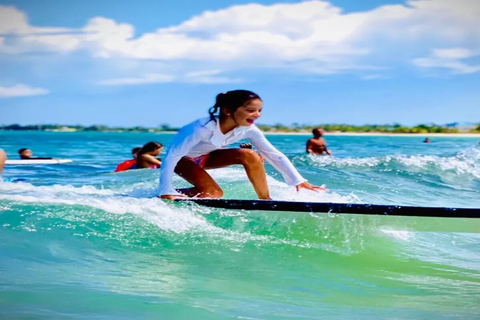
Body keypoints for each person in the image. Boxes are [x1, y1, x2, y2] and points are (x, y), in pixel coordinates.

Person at [158, 89, 325, 200]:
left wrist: (297, 180)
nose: (257, 115)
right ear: (227, 110)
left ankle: (265, 199)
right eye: (250, 110)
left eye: (260, 110)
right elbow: (172, 156)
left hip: (207, 158)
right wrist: (166, 188)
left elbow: (273, 155)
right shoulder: (201, 129)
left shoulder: (248, 129)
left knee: (250, 155)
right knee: (214, 193)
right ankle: (164, 194)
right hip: (181, 160)